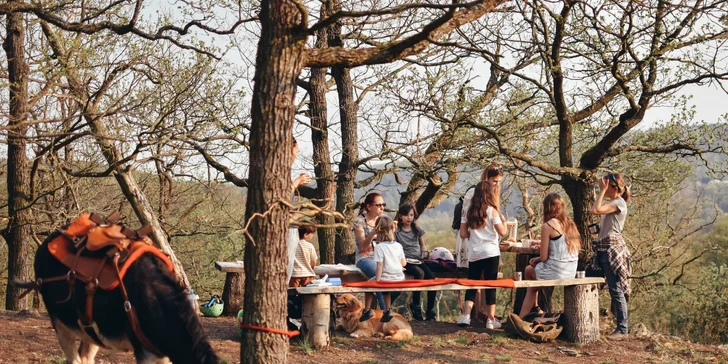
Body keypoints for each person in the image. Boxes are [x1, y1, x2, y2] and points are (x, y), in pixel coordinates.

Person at [455, 164, 505, 323]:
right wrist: (504, 224)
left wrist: (473, 233)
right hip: (490, 252)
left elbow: (463, 233)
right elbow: (502, 232)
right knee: (490, 286)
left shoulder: (469, 212)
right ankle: (491, 319)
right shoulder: (492, 210)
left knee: (472, 283)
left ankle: (466, 315)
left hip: (474, 252)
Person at [518, 193, 580, 317]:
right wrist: (538, 259)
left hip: (557, 271)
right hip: (571, 270)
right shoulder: (570, 223)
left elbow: (544, 257)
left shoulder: (548, 226)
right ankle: (534, 309)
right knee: (533, 273)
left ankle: (522, 317)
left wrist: (537, 259)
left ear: (547, 207)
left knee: (529, 271)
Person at [590, 172, 631, 340]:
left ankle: (622, 329)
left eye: (605, 185)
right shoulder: (613, 204)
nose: (602, 187)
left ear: (613, 187)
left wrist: (601, 191)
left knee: (616, 290)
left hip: (611, 250)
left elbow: (595, 210)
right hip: (603, 249)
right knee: (588, 281)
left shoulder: (618, 202)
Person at [360, 215, 406, 322]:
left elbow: (379, 265)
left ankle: (367, 310)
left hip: (386, 277)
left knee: (369, 285)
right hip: (399, 277)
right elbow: (403, 263)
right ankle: (387, 309)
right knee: (386, 287)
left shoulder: (379, 247)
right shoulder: (398, 246)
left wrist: (377, 281)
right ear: (393, 229)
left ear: (378, 231)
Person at [395, 203, 437, 321]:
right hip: (406, 260)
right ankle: (416, 304)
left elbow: (422, 245)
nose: (409, 218)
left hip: (418, 259)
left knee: (432, 280)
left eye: (411, 215)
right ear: (400, 216)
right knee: (419, 274)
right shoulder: (397, 232)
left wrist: (425, 253)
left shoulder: (417, 230)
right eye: (406, 215)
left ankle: (430, 310)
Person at [352, 192, 388, 310]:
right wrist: (372, 234)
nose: (382, 207)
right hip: (365, 257)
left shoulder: (384, 220)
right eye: (378, 205)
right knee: (379, 276)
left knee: (395, 276)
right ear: (368, 206)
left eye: (383, 204)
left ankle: (379, 310)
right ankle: (386, 312)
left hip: (382, 257)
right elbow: (362, 247)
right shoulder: (359, 221)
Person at [287, 138, 312, 283]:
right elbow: (283, 196)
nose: (296, 156)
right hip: (287, 229)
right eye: (295, 151)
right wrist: (297, 182)